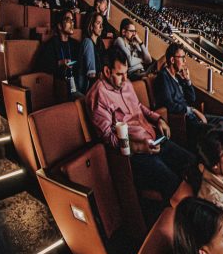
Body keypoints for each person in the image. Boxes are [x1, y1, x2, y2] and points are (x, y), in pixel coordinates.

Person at [84, 47, 197, 202]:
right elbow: (109, 139)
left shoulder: (125, 83)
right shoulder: (98, 96)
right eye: (119, 74)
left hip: (153, 137)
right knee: (173, 180)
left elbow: (139, 107)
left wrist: (158, 119)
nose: (125, 79)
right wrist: (140, 147)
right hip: (135, 155)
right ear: (106, 71)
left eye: (126, 73)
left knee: (191, 162)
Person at [153, 42, 223, 148]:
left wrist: (188, 81)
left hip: (193, 115)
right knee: (216, 132)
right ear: (172, 60)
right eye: (182, 57)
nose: (185, 61)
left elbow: (192, 98)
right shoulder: (163, 78)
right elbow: (169, 104)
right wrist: (192, 110)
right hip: (185, 120)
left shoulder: (178, 77)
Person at [34, 8, 82, 95]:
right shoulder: (51, 44)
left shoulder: (75, 44)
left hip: (76, 84)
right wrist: (59, 63)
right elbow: (40, 65)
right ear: (59, 26)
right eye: (68, 20)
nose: (72, 23)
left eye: (72, 20)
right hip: (59, 87)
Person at [77, 11, 105, 92]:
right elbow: (91, 75)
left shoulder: (100, 42)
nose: (101, 27)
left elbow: (105, 60)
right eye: (98, 23)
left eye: (102, 24)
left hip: (97, 82)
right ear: (91, 26)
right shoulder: (87, 42)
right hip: (87, 85)